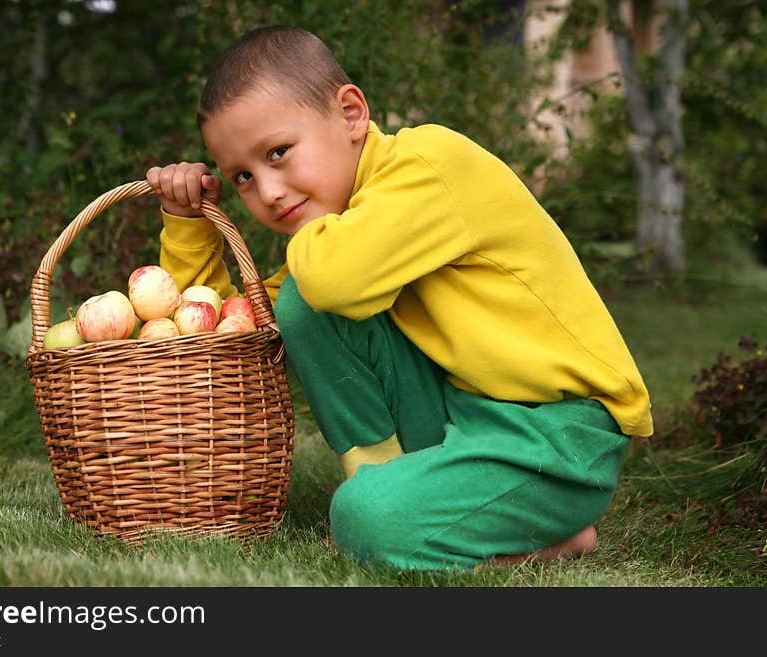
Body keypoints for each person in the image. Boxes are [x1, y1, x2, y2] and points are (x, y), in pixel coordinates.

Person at [146, 25, 653, 571]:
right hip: (469, 416)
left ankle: (478, 527)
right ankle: (394, 490)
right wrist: (187, 226)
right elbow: (240, 327)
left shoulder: (428, 164)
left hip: (560, 435)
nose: (266, 192)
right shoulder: (347, 234)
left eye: (278, 152)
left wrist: (307, 240)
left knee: (366, 519)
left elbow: (327, 281)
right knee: (300, 307)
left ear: (350, 114)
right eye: (242, 176)